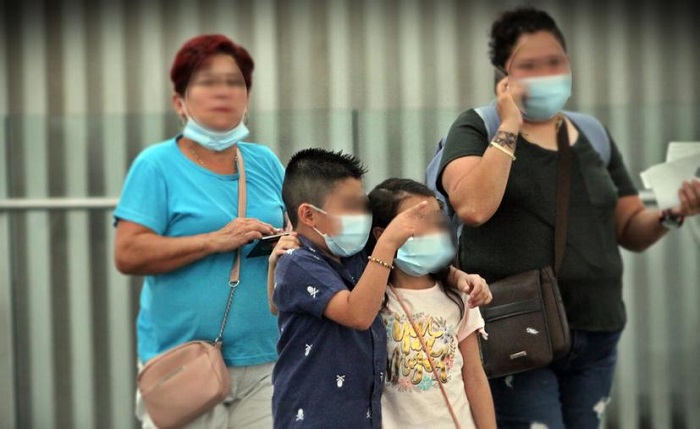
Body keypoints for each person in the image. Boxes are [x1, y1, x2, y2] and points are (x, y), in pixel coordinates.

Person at [435, 7, 700, 429]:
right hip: (518, 335)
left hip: (597, 332)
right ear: (504, 75)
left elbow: (628, 228)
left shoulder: (591, 132)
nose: (546, 73)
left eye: (555, 61)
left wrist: (673, 214)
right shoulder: (477, 127)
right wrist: (509, 123)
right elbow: (472, 206)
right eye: (530, 65)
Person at [114, 34, 285, 428]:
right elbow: (128, 253)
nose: (223, 91)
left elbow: (293, 232)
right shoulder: (155, 165)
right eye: (207, 81)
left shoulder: (265, 162)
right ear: (180, 102)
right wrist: (215, 240)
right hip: (183, 362)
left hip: (265, 358)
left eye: (235, 81)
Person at [269, 149, 492, 429]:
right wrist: (389, 241)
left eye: (363, 207)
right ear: (309, 215)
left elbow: (409, 263)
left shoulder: (353, 257)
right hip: (314, 416)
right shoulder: (300, 261)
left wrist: (458, 277)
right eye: (350, 207)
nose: (361, 217)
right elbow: (358, 314)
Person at [367, 178, 496, 429]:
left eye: (437, 220)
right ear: (382, 235)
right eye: (418, 221)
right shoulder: (371, 299)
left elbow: (474, 375)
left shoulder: (459, 295)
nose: (435, 231)